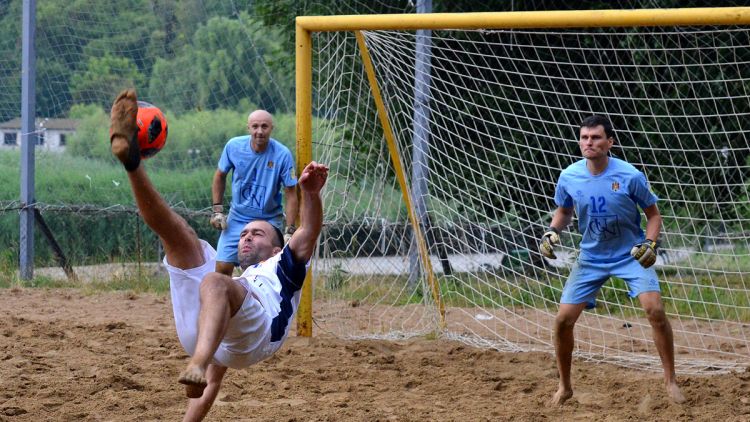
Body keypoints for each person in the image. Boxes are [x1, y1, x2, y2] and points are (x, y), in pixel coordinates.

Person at [109, 89, 328, 422]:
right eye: (242, 234)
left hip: (260, 331)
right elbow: (209, 389)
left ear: (275, 247)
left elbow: (309, 231)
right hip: (208, 334)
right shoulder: (233, 289)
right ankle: (132, 162)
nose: (246, 237)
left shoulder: (284, 265)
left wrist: (310, 193)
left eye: (257, 233)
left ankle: (198, 360)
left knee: (215, 281)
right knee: (182, 239)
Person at [539, 115, 685, 405]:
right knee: (563, 321)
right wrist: (552, 230)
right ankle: (565, 386)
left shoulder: (630, 175)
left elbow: (654, 215)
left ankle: (670, 381)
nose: (588, 143)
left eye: (595, 138)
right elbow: (564, 211)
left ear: (610, 142)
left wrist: (650, 243)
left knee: (654, 310)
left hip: (629, 254)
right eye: (584, 138)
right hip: (591, 256)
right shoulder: (569, 176)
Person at [210, 109, 299, 276]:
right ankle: (228, 301)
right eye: (255, 126)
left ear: (272, 128)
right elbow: (219, 175)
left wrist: (290, 230)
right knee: (221, 270)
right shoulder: (233, 146)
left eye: (264, 126)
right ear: (248, 128)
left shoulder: (282, 155)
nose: (259, 131)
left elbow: (291, 192)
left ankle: (262, 301)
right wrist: (217, 210)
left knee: (265, 271)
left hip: (268, 220)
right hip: (237, 218)